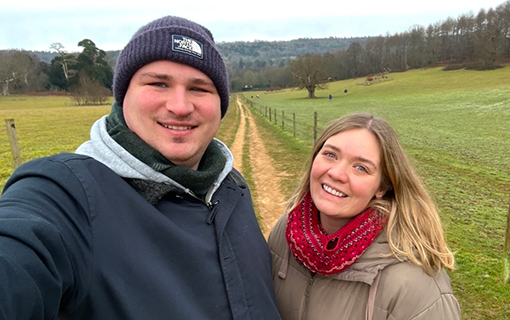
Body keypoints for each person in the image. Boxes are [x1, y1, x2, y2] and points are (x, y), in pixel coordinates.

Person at [0, 16, 281, 319]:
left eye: (199, 88)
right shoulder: (65, 194)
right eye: (159, 83)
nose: (180, 106)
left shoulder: (231, 189)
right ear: (124, 97)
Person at [268, 112, 460, 319]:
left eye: (361, 168)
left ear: (383, 186)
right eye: (330, 154)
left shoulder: (416, 285)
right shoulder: (286, 231)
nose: (336, 173)